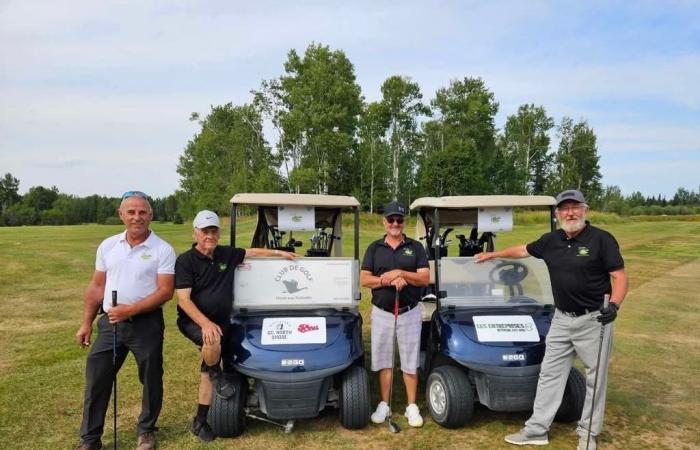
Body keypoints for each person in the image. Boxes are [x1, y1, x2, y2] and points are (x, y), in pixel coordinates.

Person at [474, 189, 628, 450]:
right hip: (561, 319)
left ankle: (588, 434)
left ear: (585, 210)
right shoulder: (552, 240)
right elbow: (524, 250)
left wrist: (614, 305)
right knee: (550, 374)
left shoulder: (602, 240)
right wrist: (493, 255)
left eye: (575, 207)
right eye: (565, 208)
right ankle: (536, 430)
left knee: (595, 378)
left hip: (594, 320)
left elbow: (620, 278)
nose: (570, 213)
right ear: (558, 214)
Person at [175, 210, 296, 442]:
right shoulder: (185, 261)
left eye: (213, 231)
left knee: (209, 362)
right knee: (212, 341)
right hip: (195, 321)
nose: (209, 236)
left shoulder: (227, 254)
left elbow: (252, 252)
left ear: (218, 233)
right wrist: (205, 323)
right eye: (204, 231)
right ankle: (218, 375)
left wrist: (279, 253)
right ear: (195, 233)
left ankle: (200, 420)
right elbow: (183, 300)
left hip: (223, 321)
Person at [75, 191, 176, 450]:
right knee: (97, 378)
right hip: (111, 323)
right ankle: (90, 438)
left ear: (150, 215)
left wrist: (131, 310)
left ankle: (146, 431)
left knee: (151, 378)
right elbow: (97, 287)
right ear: (121, 215)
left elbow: (165, 291)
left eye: (142, 212)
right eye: (131, 212)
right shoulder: (108, 246)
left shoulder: (162, 249)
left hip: (146, 324)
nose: (137, 217)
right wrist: (86, 322)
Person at [360, 200, 430, 428]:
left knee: (409, 361)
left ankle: (411, 406)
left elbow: (424, 278)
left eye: (399, 220)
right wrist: (387, 279)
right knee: (384, 361)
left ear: (404, 222)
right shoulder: (374, 248)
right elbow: (364, 279)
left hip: (409, 312)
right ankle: (384, 403)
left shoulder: (416, 248)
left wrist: (402, 273)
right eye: (391, 219)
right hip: (382, 313)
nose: (395, 223)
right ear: (384, 222)